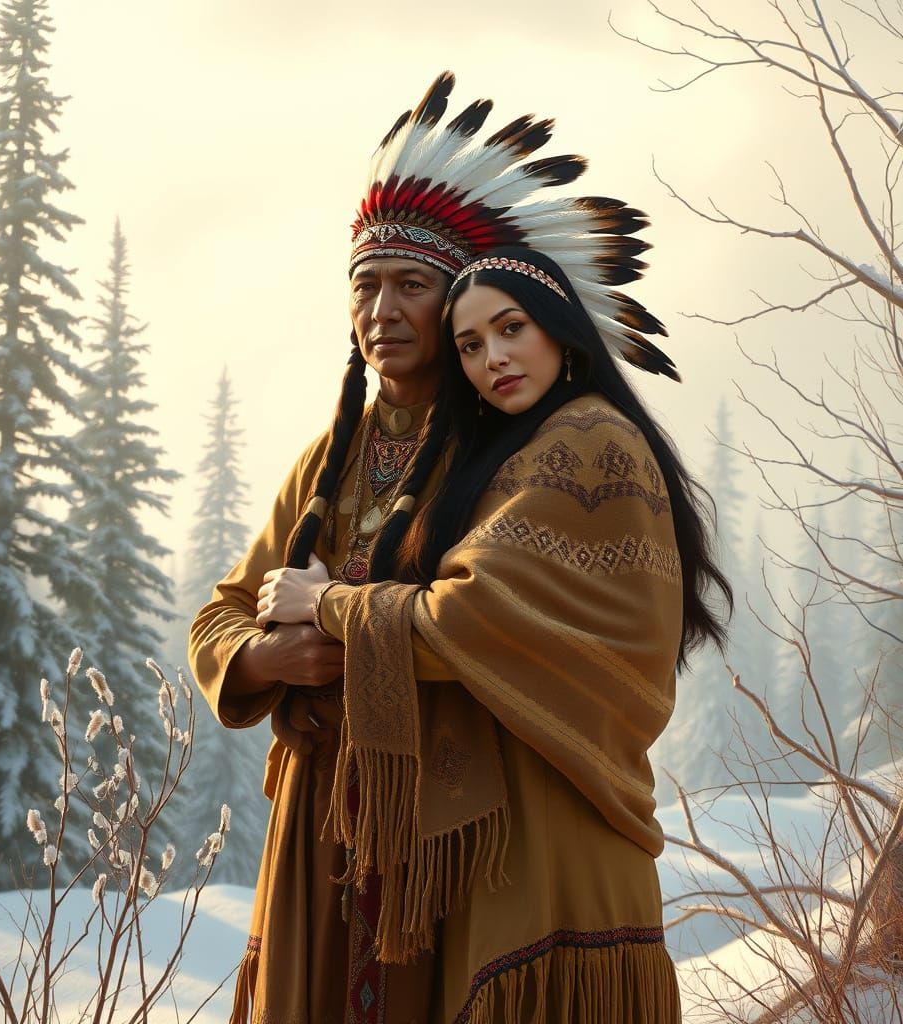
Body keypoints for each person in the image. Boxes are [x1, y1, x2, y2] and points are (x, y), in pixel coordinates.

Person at [189, 72, 685, 1024]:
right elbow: (223, 612)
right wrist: (265, 657)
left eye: (411, 287)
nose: (382, 309)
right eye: (364, 286)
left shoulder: (506, 449)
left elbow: (482, 617)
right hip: (321, 829)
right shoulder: (327, 462)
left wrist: (332, 611)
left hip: (445, 834)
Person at [256, 245, 732, 1022]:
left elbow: (466, 616)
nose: (494, 359)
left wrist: (327, 602)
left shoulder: (586, 443)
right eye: (471, 345)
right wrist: (263, 654)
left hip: (561, 825)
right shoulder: (521, 447)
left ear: (559, 329)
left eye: (511, 329)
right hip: (521, 816)